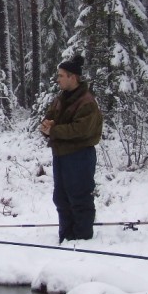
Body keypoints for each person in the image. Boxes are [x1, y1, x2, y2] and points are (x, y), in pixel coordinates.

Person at [39, 55, 103, 243]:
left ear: (72, 77)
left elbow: (82, 130)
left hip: (80, 156)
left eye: (61, 76)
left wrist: (54, 130)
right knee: (61, 198)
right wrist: (46, 126)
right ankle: (66, 237)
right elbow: (50, 118)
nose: (58, 79)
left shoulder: (87, 102)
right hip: (61, 155)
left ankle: (82, 240)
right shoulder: (60, 99)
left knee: (80, 199)